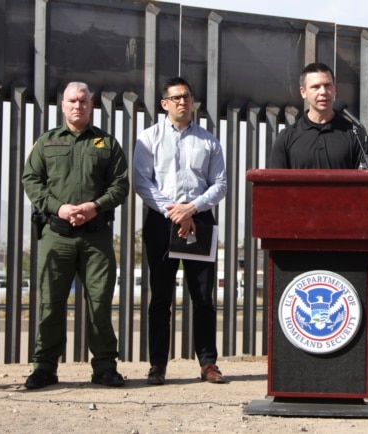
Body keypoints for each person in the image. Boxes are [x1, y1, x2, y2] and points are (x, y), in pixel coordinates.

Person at [21, 81, 129, 389]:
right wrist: (59, 208)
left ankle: (105, 367)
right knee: (50, 302)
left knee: (99, 303)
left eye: (83, 100)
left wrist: (95, 206)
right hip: (57, 235)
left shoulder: (107, 144)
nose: (78, 105)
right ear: (62, 105)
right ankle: (44, 368)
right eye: (72, 100)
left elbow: (121, 185)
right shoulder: (47, 142)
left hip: (96, 237)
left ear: (91, 104)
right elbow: (31, 180)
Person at [133, 76, 227, 385]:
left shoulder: (209, 140)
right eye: (175, 97)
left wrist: (192, 208)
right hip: (162, 222)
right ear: (164, 104)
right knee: (161, 297)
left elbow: (220, 184)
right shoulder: (148, 138)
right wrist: (173, 210)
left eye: (187, 96)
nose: (182, 102)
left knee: (202, 297)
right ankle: (158, 365)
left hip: (198, 220)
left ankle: (208, 364)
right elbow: (142, 182)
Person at [269, 62, 368, 169]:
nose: (323, 92)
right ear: (303, 92)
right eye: (316, 87)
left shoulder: (355, 135)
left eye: (327, 85)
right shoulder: (286, 137)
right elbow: (275, 183)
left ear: (335, 89)